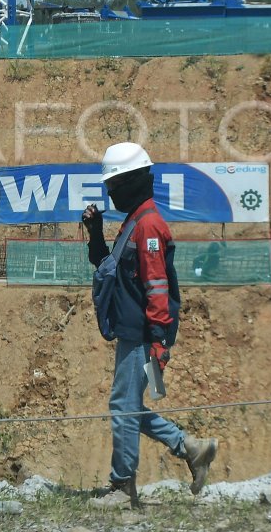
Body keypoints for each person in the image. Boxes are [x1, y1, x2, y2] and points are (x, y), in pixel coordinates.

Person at [82, 142, 218, 507]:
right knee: (127, 405)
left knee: (122, 407)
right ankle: (192, 448)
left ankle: (122, 488)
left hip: (143, 334)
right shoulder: (134, 223)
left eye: (113, 187)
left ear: (130, 182)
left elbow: (158, 289)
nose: (111, 194)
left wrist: (159, 341)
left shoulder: (150, 226)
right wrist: (95, 231)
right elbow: (105, 265)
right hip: (131, 332)